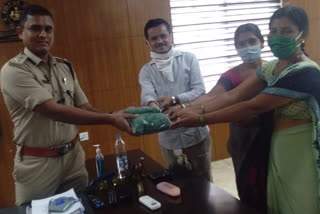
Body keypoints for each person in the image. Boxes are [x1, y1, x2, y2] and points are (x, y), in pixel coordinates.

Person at [170, 5, 320, 214]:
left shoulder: (305, 71)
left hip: (298, 147)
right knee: (276, 201)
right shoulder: (272, 67)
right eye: (274, 31)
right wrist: (189, 108)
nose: (278, 36)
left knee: (299, 200)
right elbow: (233, 95)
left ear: (302, 35)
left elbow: (252, 105)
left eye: (287, 31)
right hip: (274, 143)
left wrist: (199, 118)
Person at [0, 4, 137, 205]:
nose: (43, 34)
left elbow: (83, 107)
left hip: (73, 159)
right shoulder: (13, 71)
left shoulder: (65, 67)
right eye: (35, 28)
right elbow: (52, 110)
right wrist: (110, 119)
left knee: (80, 207)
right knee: (37, 211)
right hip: (37, 165)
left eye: (48, 29)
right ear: (20, 33)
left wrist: (114, 113)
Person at [139, 18, 212, 182]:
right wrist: (152, 106)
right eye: (154, 38)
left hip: (196, 133)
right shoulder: (146, 71)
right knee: (177, 184)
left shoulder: (189, 58)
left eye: (163, 36)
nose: (160, 41)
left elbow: (200, 90)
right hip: (168, 136)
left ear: (171, 36)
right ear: (147, 43)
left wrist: (174, 99)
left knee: (205, 182)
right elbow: (148, 95)